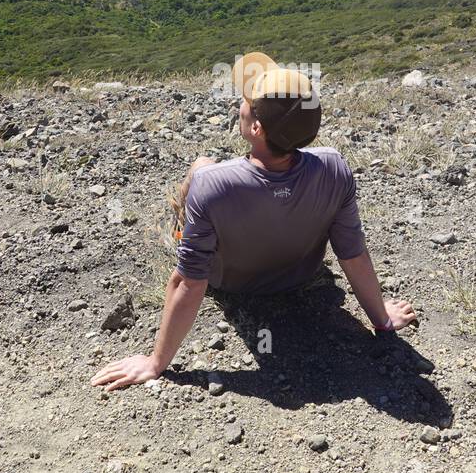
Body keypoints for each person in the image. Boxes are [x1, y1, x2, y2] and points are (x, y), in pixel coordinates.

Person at [91, 52, 417, 391]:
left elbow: (188, 283)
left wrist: (155, 362)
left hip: (232, 284)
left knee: (202, 164)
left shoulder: (213, 183)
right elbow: (353, 254)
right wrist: (382, 319)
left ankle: (176, 227)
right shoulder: (334, 167)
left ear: (256, 127)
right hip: (300, 276)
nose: (241, 105)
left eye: (247, 102)